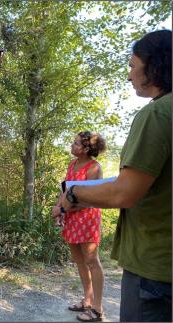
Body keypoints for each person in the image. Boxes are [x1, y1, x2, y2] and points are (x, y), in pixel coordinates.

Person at [61, 30, 172, 322]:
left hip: (155, 267)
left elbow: (124, 192)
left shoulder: (158, 114)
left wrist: (72, 194)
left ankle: (95, 306)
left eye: (133, 66)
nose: (129, 75)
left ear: (155, 66)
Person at [52, 131, 106, 322]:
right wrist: (59, 207)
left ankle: (97, 310)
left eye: (76, 144)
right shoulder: (72, 164)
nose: (72, 146)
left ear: (86, 149)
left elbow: (91, 198)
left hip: (87, 217)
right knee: (79, 261)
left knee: (92, 260)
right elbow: (66, 189)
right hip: (71, 216)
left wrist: (65, 210)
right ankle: (87, 301)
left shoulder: (94, 168)